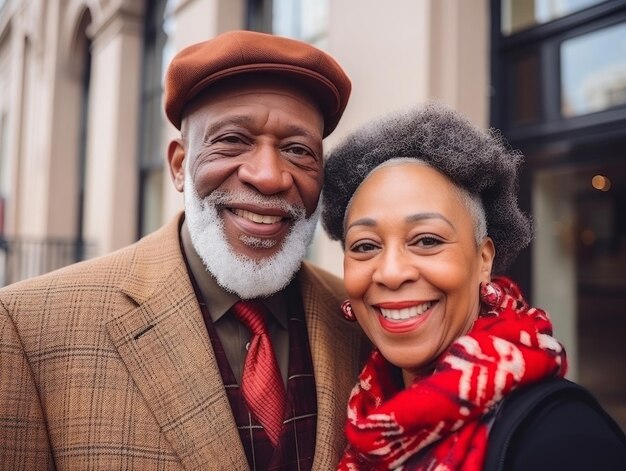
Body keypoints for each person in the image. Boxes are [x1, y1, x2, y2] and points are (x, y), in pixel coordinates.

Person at [0, 30, 365, 470]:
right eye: (232, 140)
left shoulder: (360, 319)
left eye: (297, 150)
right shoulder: (30, 326)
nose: (269, 176)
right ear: (178, 165)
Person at [321, 103, 626, 470]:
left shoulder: (565, 440)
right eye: (365, 246)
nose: (390, 272)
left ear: (484, 259)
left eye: (427, 240)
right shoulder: (359, 408)